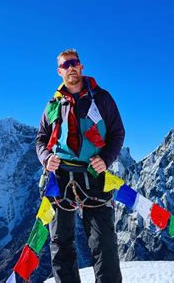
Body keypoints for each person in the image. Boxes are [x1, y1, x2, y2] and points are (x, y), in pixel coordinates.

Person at [36, 48, 125, 283]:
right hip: (61, 175)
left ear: (81, 66)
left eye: (74, 63)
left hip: (94, 173)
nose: (71, 68)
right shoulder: (53, 104)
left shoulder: (102, 98)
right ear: (59, 71)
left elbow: (117, 132)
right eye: (65, 65)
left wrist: (105, 159)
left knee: (103, 240)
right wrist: (46, 158)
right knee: (60, 241)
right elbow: (41, 139)